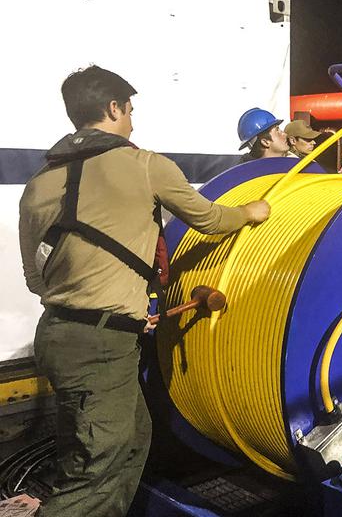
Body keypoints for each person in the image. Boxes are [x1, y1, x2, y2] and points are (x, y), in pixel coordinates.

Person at [18, 66, 271, 516]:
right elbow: (210, 220)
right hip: (99, 347)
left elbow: (36, 278)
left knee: (132, 440)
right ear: (113, 108)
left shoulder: (38, 184)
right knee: (97, 467)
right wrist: (250, 212)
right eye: (130, 110)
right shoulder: (144, 165)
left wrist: (115, 307)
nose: (133, 120)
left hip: (59, 334)